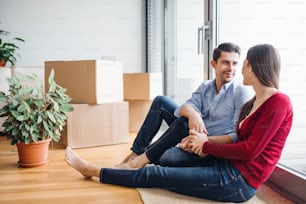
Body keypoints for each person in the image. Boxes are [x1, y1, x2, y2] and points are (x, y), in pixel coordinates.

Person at [65, 44, 293, 202]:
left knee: (156, 173)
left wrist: (204, 144)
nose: (238, 68)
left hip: (237, 181)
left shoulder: (277, 102)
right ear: (214, 64)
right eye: (228, 62)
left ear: (253, 66)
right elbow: (186, 109)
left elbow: (249, 150)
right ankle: (135, 157)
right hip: (221, 160)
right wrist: (198, 133)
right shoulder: (255, 101)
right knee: (169, 113)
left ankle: (94, 170)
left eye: (241, 63)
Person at [121, 42, 253, 167]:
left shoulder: (240, 92)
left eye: (234, 63)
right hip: (192, 134)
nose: (231, 68)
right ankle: (136, 154)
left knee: (166, 157)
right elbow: (183, 108)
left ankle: (147, 156)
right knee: (161, 102)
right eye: (225, 63)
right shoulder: (205, 86)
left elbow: (236, 136)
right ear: (213, 64)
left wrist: (202, 140)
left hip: (210, 146)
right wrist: (193, 114)